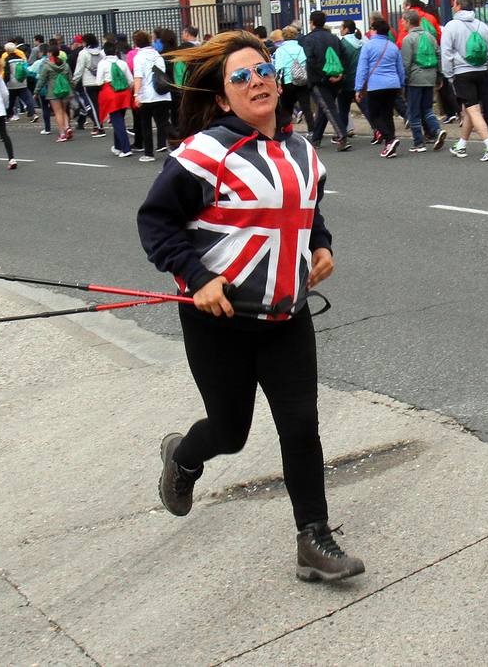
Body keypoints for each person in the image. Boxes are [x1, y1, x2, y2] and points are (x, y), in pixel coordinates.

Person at [137, 30, 363, 583]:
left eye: (263, 71)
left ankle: (314, 538)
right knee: (231, 432)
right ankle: (184, 458)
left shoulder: (303, 152)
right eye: (240, 77)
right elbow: (157, 223)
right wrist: (197, 278)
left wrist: (322, 246)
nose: (256, 81)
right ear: (222, 98)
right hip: (220, 321)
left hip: (288, 316)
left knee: (301, 426)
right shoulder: (204, 153)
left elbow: (308, 213)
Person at [440, 0, 488, 161]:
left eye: (454, 4)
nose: (453, 7)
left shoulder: (451, 26)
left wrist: (449, 75)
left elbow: (446, 53)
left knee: (473, 110)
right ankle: (461, 145)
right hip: (482, 71)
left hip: (462, 72)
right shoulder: (482, 26)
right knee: (469, 109)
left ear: (459, 6)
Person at [300, 10, 353, 152]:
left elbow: (311, 60)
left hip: (319, 80)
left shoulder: (308, 39)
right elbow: (344, 56)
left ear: (311, 23)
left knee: (328, 108)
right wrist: (340, 74)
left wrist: (324, 74)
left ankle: (342, 135)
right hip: (336, 79)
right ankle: (316, 138)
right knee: (325, 108)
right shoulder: (334, 38)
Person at [355, 16, 407, 158]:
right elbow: (400, 69)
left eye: (371, 28)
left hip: (376, 85)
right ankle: (390, 145)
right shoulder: (393, 46)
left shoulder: (368, 46)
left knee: (374, 114)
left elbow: (362, 69)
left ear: (375, 31)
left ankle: (389, 139)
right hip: (393, 84)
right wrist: (401, 84)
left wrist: (358, 88)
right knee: (387, 114)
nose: (370, 31)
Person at [399, 11, 446, 152]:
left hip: (415, 78)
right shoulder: (430, 37)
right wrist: (439, 76)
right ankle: (437, 130)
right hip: (430, 77)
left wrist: (403, 81)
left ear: (408, 22)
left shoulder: (408, 39)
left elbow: (406, 63)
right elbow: (438, 56)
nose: (402, 23)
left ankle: (418, 143)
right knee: (427, 108)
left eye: (403, 21)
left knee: (413, 111)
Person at [132, 29, 172, 161]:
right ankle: (178, 146)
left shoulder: (139, 57)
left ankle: (149, 153)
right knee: (164, 123)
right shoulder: (157, 55)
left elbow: (138, 77)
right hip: (162, 93)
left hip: (147, 95)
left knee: (146, 125)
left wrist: (136, 94)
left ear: (136, 43)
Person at [95, 40, 135, 158]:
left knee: (117, 122)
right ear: (115, 51)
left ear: (105, 52)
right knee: (119, 119)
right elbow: (131, 81)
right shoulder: (122, 63)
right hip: (124, 94)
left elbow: (98, 82)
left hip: (111, 94)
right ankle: (118, 147)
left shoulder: (102, 64)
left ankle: (126, 148)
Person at [273, 25, 310, 131]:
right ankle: (312, 131)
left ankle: (285, 129)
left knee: (286, 108)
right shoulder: (301, 48)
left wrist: (278, 83)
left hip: (287, 82)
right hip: (302, 81)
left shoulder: (280, 50)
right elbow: (306, 63)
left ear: (283, 36)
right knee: (306, 107)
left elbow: (279, 68)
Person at [35, 45, 73, 142]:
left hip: (53, 91)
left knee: (58, 112)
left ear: (50, 53)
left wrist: (36, 92)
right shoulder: (65, 65)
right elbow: (70, 79)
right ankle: (67, 127)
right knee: (64, 111)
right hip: (65, 90)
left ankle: (62, 134)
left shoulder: (47, 66)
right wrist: (72, 89)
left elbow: (41, 80)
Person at [73, 33, 106, 136]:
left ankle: (100, 127)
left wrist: (74, 81)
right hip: (100, 82)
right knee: (99, 105)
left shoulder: (83, 53)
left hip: (89, 83)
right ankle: (97, 126)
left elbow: (79, 70)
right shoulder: (101, 53)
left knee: (93, 105)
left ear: (86, 42)